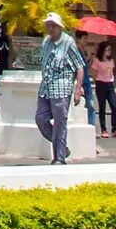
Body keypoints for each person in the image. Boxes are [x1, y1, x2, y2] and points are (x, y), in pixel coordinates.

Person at [33, 12, 85, 164]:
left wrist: (77, 90)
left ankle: (59, 157)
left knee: (60, 122)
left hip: (61, 88)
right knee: (41, 118)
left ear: (59, 27)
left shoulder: (68, 43)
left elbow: (80, 67)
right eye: (48, 26)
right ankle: (62, 148)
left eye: (53, 26)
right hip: (46, 88)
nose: (50, 29)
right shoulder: (46, 42)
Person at [87, 40, 116, 136]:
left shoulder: (111, 60)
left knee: (114, 106)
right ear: (103, 50)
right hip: (101, 84)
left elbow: (111, 71)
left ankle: (114, 129)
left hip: (110, 84)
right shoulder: (97, 61)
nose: (109, 51)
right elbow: (93, 72)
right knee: (102, 107)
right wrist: (97, 80)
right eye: (107, 49)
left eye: (110, 49)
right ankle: (103, 129)